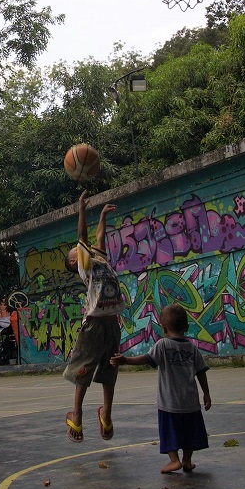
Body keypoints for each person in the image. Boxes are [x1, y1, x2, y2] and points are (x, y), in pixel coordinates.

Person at [112, 303, 212, 473]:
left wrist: (125, 360)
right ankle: (187, 460)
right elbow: (201, 372)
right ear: (187, 327)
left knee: (169, 432)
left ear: (163, 328)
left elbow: (146, 359)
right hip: (190, 402)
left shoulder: (163, 345)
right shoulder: (192, 348)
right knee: (191, 432)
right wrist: (207, 394)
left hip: (169, 402)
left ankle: (174, 460)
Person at [62, 190, 126, 443]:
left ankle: (106, 414)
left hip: (112, 322)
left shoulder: (98, 258)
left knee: (111, 367)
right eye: (75, 252)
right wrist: (81, 208)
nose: (81, 249)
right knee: (83, 369)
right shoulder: (85, 264)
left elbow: (98, 237)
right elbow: (83, 236)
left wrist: (101, 216)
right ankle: (76, 416)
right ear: (74, 262)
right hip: (96, 323)